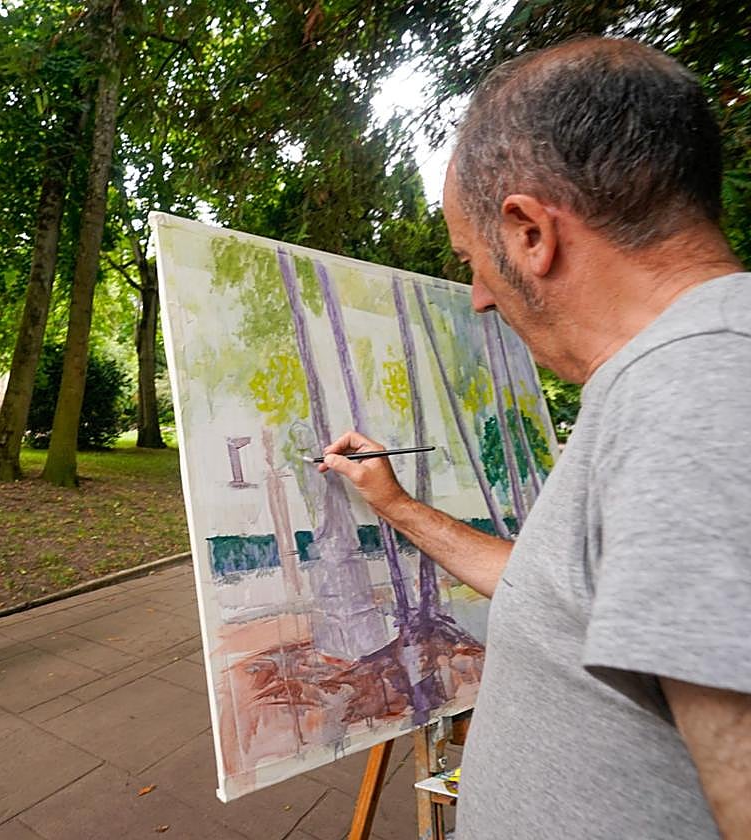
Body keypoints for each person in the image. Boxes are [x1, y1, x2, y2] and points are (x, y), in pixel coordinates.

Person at [319, 38, 750, 839]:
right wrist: (398, 505)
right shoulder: (669, 384)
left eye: (471, 261)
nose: (480, 298)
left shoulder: (700, 396)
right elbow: (565, 595)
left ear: (528, 234)